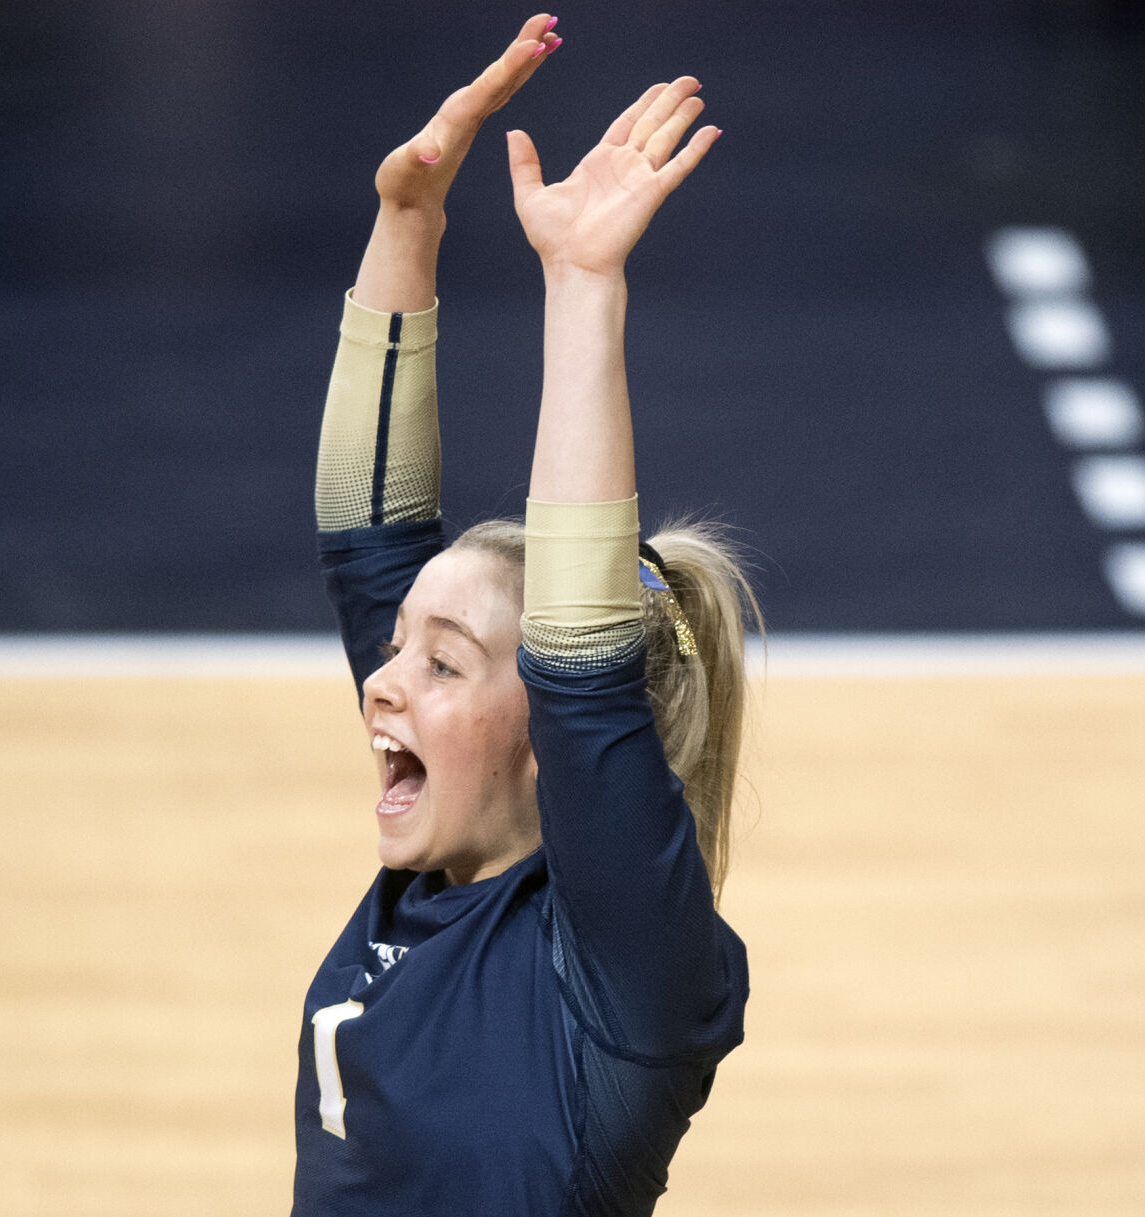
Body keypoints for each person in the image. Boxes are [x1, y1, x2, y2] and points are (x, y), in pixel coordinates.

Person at [294, 16, 758, 1215]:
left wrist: (582, 285)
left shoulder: (626, 982)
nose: (381, 680)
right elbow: (367, 527)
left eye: (439, 664)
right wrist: (409, 219)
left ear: (546, 727)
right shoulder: (445, 860)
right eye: (399, 652)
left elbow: (584, 670)